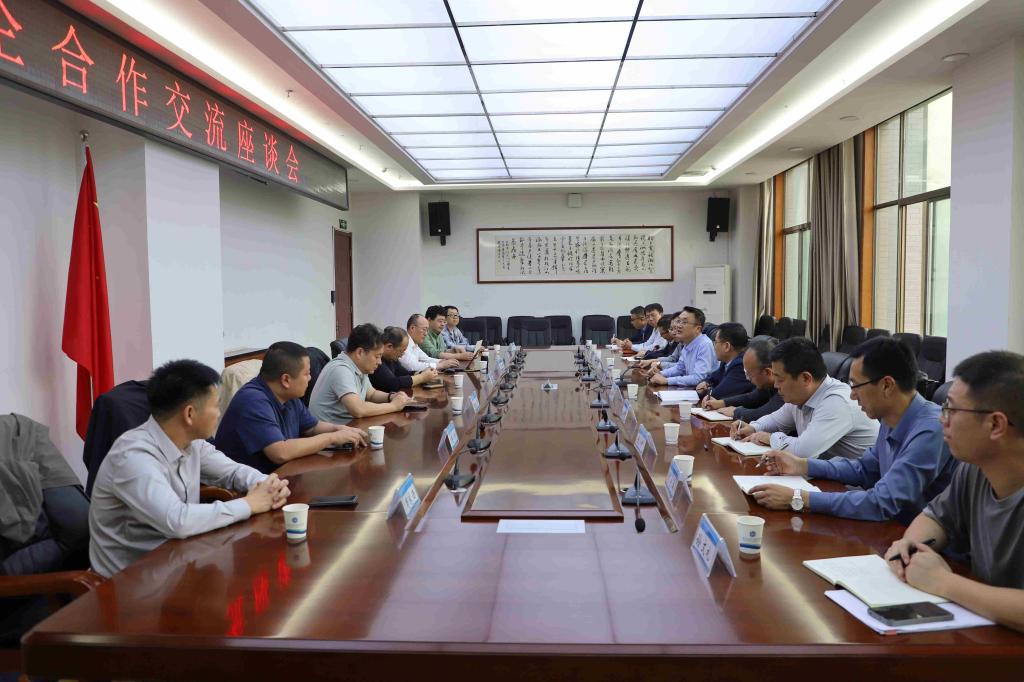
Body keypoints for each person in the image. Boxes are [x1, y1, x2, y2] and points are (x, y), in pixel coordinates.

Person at [89, 359, 290, 577]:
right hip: (130, 582)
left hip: (179, 563)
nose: (219, 413)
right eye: (216, 406)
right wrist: (249, 504)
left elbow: (233, 471)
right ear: (190, 414)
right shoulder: (133, 457)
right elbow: (177, 520)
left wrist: (268, 485)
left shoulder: (193, 444)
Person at [886, 351, 1024, 633]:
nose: (942, 420)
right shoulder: (976, 468)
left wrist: (943, 582)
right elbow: (936, 518)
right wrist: (909, 546)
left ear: (995, 424)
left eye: (951, 409)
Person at [749, 337, 956, 523]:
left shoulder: (931, 429)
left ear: (886, 385)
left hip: (921, 542)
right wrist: (803, 465)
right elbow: (865, 469)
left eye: (856, 385)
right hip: (890, 528)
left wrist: (799, 498)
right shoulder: (890, 417)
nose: (852, 395)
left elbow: (882, 502)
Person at [216, 341, 367, 474]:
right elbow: (280, 453)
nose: (310, 378)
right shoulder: (253, 401)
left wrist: (339, 429)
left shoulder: (288, 396)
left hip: (279, 477)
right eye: (306, 374)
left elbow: (312, 427)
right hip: (246, 490)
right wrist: (332, 438)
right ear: (286, 380)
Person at [732, 337, 879, 459]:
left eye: (780, 379)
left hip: (856, 483)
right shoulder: (801, 396)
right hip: (828, 474)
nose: (776, 385)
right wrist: (753, 427)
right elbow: (776, 420)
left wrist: (770, 438)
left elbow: (803, 451)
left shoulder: (838, 402)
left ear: (805, 378)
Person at [310, 323, 411, 423]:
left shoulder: (359, 367)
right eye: (377, 356)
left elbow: (371, 394)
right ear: (360, 353)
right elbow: (358, 409)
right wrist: (393, 406)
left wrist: (392, 396)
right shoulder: (341, 370)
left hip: (348, 426)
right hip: (329, 431)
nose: (380, 362)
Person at [703, 336, 783, 421]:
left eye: (750, 375)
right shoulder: (768, 383)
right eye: (746, 372)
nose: (747, 378)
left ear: (768, 372)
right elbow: (753, 397)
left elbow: (768, 414)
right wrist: (721, 403)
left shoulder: (785, 386)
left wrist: (737, 412)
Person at [648, 307, 717, 387]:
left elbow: (698, 378)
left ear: (698, 329)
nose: (678, 326)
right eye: (678, 321)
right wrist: (660, 373)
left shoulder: (704, 345)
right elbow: (680, 368)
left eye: (684, 322)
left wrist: (667, 380)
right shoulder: (687, 343)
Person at [696, 322, 754, 400]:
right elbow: (711, 378)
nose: (714, 346)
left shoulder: (741, 365)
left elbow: (717, 394)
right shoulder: (726, 362)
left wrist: (705, 389)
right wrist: (705, 382)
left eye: (715, 342)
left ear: (727, 346)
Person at [372, 326, 440, 392]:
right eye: (401, 351)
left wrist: (421, 372)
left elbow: (404, 373)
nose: (402, 355)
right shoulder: (377, 361)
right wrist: (422, 377)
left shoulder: (391, 359)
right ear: (389, 346)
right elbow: (393, 383)